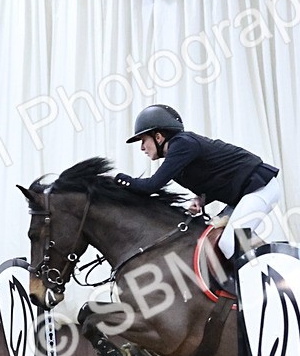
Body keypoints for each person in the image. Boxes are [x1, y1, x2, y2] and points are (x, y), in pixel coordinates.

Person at [115, 104, 280, 260]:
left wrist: (118, 178)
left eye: (143, 140)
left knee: (229, 243)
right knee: (215, 238)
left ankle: (263, 283)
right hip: (247, 193)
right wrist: (201, 199)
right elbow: (217, 179)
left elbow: (151, 186)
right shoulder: (178, 155)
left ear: (158, 137)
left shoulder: (182, 144)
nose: (142, 148)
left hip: (260, 188)